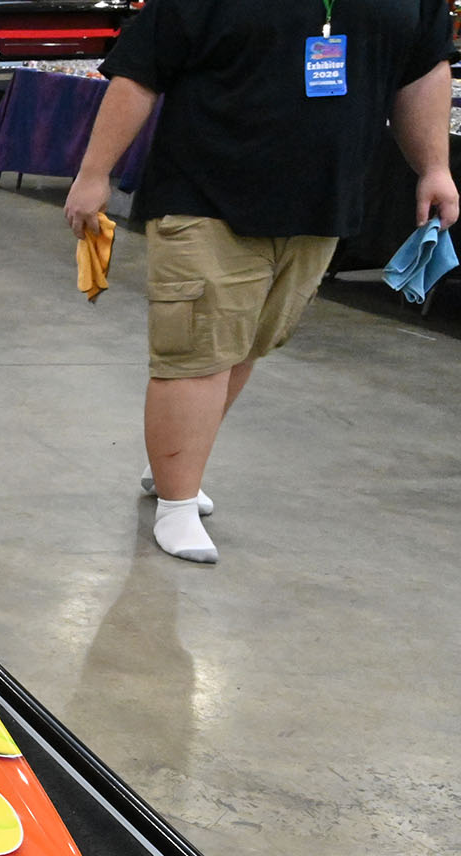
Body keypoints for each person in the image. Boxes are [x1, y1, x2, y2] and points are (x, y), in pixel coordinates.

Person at [65, 0, 458, 565]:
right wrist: (94, 173)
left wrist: (435, 167)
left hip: (322, 202)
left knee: (248, 341)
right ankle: (176, 503)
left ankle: (174, 461)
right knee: (199, 348)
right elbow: (140, 69)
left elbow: (422, 69)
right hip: (206, 192)